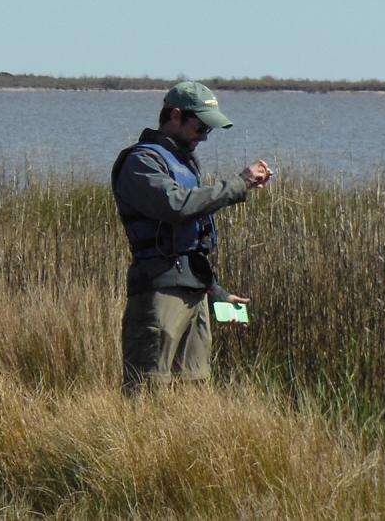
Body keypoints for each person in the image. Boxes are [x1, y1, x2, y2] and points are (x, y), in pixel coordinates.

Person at [111, 81, 270, 394]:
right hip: (158, 291)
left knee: (194, 388)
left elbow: (189, 245)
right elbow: (177, 206)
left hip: (195, 292)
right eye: (201, 127)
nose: (204, 136)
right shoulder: (141, 162)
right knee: (147, 389)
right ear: (175, 116)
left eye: (208, 130)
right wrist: (240, 184)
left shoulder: (183, 161)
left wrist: (216, 292)